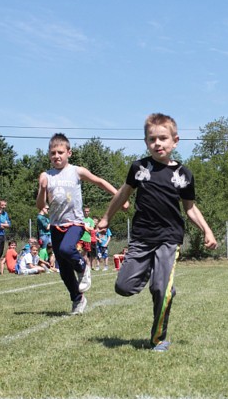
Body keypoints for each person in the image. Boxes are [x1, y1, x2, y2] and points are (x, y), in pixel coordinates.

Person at [98, 113, 218, 351]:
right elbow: (123, 194)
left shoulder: (184, 174)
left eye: (163, 138)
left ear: (175, 141)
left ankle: (158, 337)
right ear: (146, 142)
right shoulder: (139, 168)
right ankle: (156, 278)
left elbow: (190, 208)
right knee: (123, 286)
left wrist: (207, 230)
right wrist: (105, 218)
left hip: (169, 238)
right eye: (152, 139)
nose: (158, 143)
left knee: (161, 289)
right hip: (142, 237)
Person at [36, 133, 126, 315]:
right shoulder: (46, 175)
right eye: (52, 153)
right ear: (49, 155)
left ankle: (83, 267)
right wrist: (43, 188)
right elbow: (40, 205)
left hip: (75, 223)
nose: (56, 156)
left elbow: (99, 181)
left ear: (69, 152)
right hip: (56, 225)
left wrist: (120, 197)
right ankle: (78, 299)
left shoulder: (76, 171)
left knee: (66, 249)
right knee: (63, 269)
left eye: (60, 152)